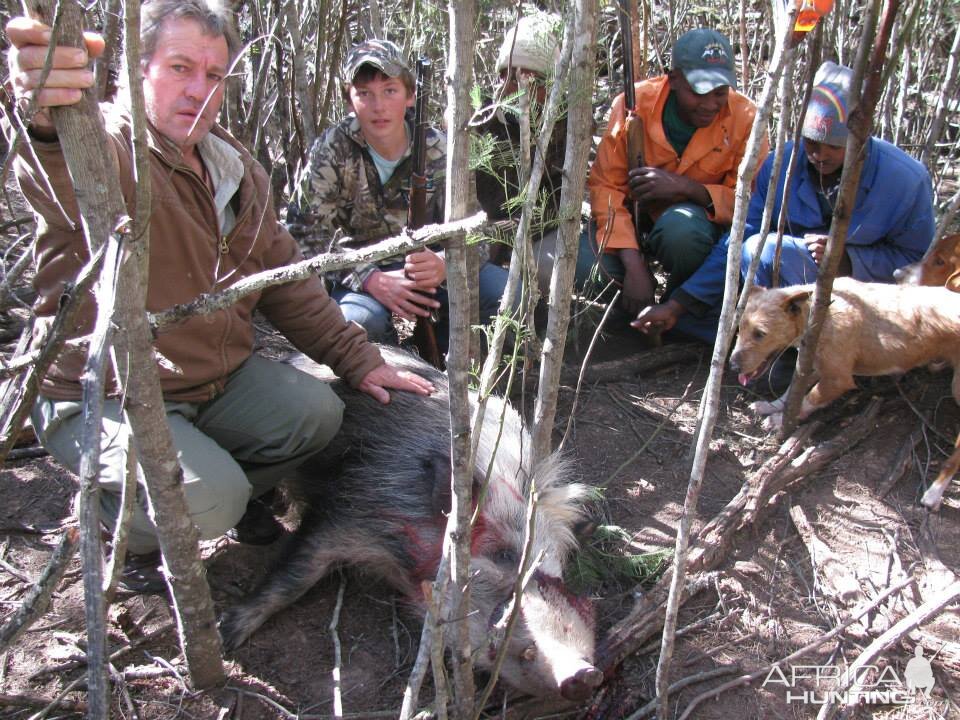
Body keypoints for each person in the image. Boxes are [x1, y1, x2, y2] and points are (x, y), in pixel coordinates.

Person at [4, 0, 433, 593]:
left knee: (318, 414)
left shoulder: (234, 167)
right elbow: (58, 174)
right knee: (213, 503)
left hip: (205, 382)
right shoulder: (106, 146)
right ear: (139, 68)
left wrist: (361, 360)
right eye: (180, 68)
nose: (199, 90)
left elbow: (286, 280)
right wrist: (46, 114)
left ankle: (209, 488)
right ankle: (116, 527)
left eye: (214, 75)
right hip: (101, 390)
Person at [636, 60, 935, 369]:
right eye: (811, 143)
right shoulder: (781, 164)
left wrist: (847, 259)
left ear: (860, 136)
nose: (819, 154)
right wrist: (679, 305)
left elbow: (917, 264)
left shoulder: (905, 180)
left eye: (834, 145)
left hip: (863, 302)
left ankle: (796, 362)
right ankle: (776, 353)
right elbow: (738, 241)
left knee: (764, 251)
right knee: (709, 302)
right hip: (786, 297)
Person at [289, 39, 510, 350]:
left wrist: (446, 263)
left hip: (428, 273)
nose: (378, 106)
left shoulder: (440, 150)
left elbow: (478, 235)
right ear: (350, 100)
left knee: (504, 295)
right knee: (360, 322)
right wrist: (368, 277)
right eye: (364, 94)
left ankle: (443, 364)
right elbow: (301, 233)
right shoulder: (332, 149)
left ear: (410, 96)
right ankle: (390, 374)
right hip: (359, 275)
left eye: (389, 91)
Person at [586, 28, 767, 341]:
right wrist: (633, 265)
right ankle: (631, 315)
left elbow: (750, 203)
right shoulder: (634, 105)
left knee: (681, 232)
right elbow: (606, 187)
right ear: (673, 79)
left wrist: (686, 189)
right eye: (699, 91)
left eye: (720, 92)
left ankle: (680, 313)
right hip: (633, 227)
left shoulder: (747, 119)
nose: (710, 104)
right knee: (584, 269)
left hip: (698, 236)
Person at [473, 12, 565, 296]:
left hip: (539, 235)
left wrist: (515, 228)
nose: (517, 89)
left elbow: (562, 205)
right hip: (481, 236)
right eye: (510, 76)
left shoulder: (567, 127)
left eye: (532, 79)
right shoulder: (478, 122)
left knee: (563, 266)